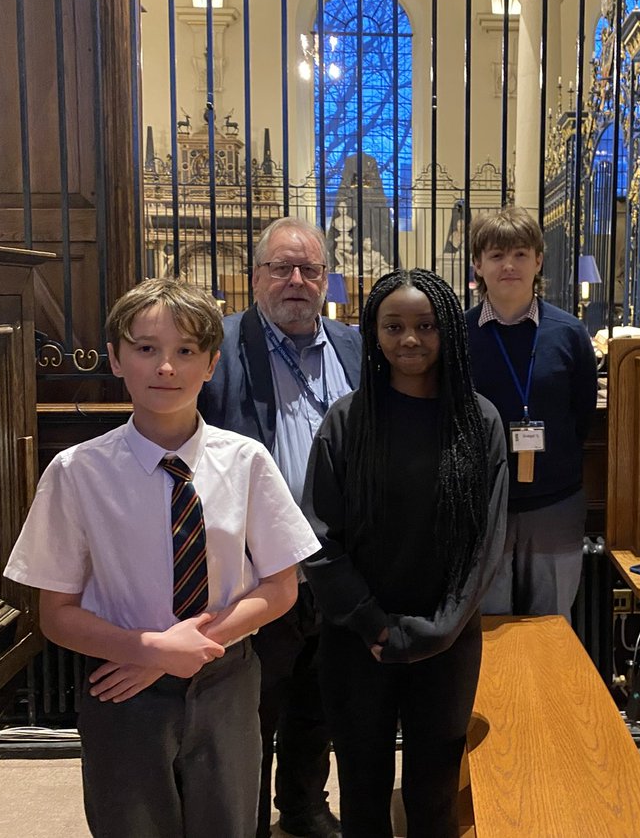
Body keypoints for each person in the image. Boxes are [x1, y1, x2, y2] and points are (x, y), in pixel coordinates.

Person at [3, 278, 319, 837]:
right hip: (121, 688)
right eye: (146, 348)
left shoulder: (245, 461)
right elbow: (56, 614)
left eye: (186, 351)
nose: (166, 367)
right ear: (115, 359)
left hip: (226, 682)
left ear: (211, 364)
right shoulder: (78, 472)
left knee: (230, 823)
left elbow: (281, 587)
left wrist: (185, 650)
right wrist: (148, 651)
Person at [303, 268, 509, 838]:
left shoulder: (479, 421)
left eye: (426, 326)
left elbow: (487, 541)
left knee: (434, 795)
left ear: (449, 332)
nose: (410, 339)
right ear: (373, 333)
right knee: (364, 793)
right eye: (393, 326)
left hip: (447, 641)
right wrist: (371, 623)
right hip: (357, 641)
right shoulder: (347, 419)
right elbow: (318, 536)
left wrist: (439, 630)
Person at [198, 217, 359, 838]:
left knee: (321, 696)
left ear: (325, 278)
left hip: (337, 560)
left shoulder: (352, 345)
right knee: (254, 705)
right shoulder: (220, 347)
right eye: (281, 268)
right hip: (257, 566)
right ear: (256, 275)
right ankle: (250, 821)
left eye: (309, 269)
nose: (296, 281)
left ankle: (304, 804)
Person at [465, 207, 598, 621]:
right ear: (478, 264)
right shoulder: (459, 334)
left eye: (520, 254)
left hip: (554, 505)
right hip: (482, 507)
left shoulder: (569, 333)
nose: (509, 265)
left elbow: (582, 413)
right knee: (487, 627)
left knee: (551, 622)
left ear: (538, 261)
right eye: (496, 255)